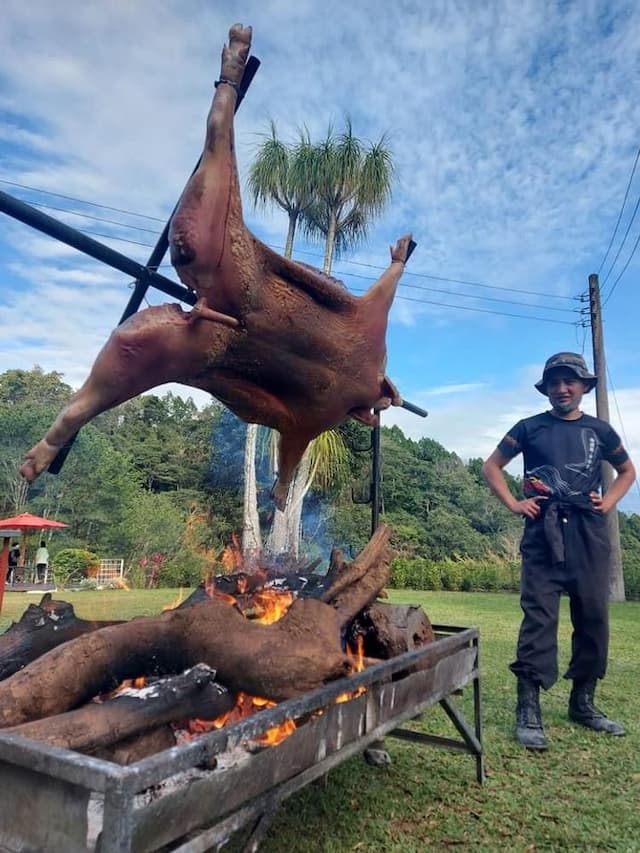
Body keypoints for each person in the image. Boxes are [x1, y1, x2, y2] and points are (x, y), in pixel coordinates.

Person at [482, 352, 636, 751]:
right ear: (546, 388)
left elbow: (627, 471)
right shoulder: (529, 428)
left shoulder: (600, 431)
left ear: (584, 386)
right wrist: (515, 504)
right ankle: (527, 709)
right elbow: (492, 466)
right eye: (554, 382)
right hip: (542, 529)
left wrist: (610, 501)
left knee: (594, 616)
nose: (562, 388)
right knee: (539, 615)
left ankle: (583, 703)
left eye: (570, 381)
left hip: (588, 530)